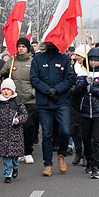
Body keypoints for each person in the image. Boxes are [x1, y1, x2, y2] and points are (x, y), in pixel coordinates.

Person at [29, 40, 76, 176]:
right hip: (44, 102)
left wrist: (57, 90)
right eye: (50, 42)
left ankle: (61, 155)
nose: (52, 45)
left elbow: (69, 78)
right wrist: (47, 90)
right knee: (47, 134)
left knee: (65, 131)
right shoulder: (38, 59)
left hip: (61, 101)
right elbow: (34, 78)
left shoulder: (64, 59)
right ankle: (48, 163)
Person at [73, 46, 99, 179]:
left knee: (97, 139)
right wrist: (84, 82)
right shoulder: (82, 73)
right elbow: (77, 92)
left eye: (96, 61)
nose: (93, 63)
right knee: (86, 139)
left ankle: (96, 166)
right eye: (91, 60)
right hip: (85, 111)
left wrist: (94, 89)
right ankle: (89, 161)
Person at [0, 36, 37, 165]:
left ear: (27, 49)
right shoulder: (11, 61)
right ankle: (17, 152)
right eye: (19, 46)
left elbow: (38, 79)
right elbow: (1, 75)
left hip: (29, 100)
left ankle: (28, 152)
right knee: (15, 127)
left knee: (28, 126)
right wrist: (5, 84)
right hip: (14, 100)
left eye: (23, 47)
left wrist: (33, 92)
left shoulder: (33, 62)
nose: (21, 49)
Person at [0, 78, 29, 182]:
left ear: (13, 91)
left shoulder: (18, 103)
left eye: (8, 89)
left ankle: (15, 167)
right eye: (4, 89)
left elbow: (25, 115)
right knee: (6, 157)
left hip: (15, 135)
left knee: (14, 156)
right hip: (3, 135)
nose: (6, 91)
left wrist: (18, 120)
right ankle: (7, 174)